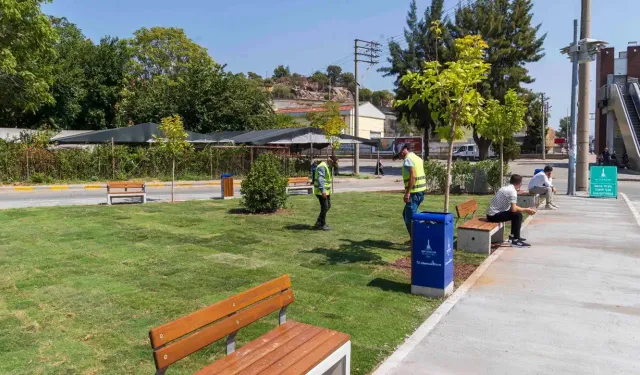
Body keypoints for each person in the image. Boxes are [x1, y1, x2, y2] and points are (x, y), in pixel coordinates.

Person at [486, 174, 536, 248]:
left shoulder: (506, 188)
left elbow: (512, 208)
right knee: (517, 215)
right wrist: (526, 210)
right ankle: (515, 240)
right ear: (520, 184)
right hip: (493, 216)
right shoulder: (512, 191)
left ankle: (514, 237)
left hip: (491, 214)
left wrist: (526, 209)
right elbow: (514, 209)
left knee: (516, 214)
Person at [394, 143, 427, 237]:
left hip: (414, 193)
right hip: (420, 192)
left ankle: (416, 241)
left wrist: (407, 193)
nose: (400, 157)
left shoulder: (408, 160)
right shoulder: (416, 157)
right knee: (406, 214)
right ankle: (414, 239)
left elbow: (413, 176)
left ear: (404, 150)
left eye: (400, 154)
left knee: (410, 218)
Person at [313, 157, 335, 231]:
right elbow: (320, 179)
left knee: (328, 206)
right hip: (321, 191)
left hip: (326, 191)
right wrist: (323, 191)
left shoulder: (326, 166)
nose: (334, 165)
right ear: (330, 161)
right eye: (333, 163)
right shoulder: (322, 166)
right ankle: (322, 225)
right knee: (324, 207)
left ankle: (319, 222)